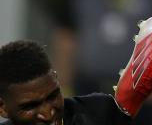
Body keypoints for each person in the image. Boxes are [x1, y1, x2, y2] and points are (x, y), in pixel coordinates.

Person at [0, 40, 129, 125]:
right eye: (30, 106)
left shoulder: (100, 115)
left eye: (52, 96)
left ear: (56, 79)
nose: (47, 114)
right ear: (3, 108)